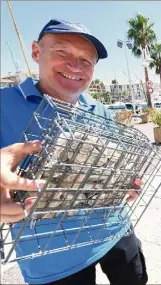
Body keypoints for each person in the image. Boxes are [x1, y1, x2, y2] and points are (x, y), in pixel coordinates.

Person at [0, 19, 147, 285]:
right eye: (61, 52)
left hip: (114, 229)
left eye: (86, 61)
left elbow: (119, 166)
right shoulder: (2, 104)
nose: (75, 66)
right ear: (36, 51)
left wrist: (130, 182)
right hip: (51, 259)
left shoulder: (100, 110)